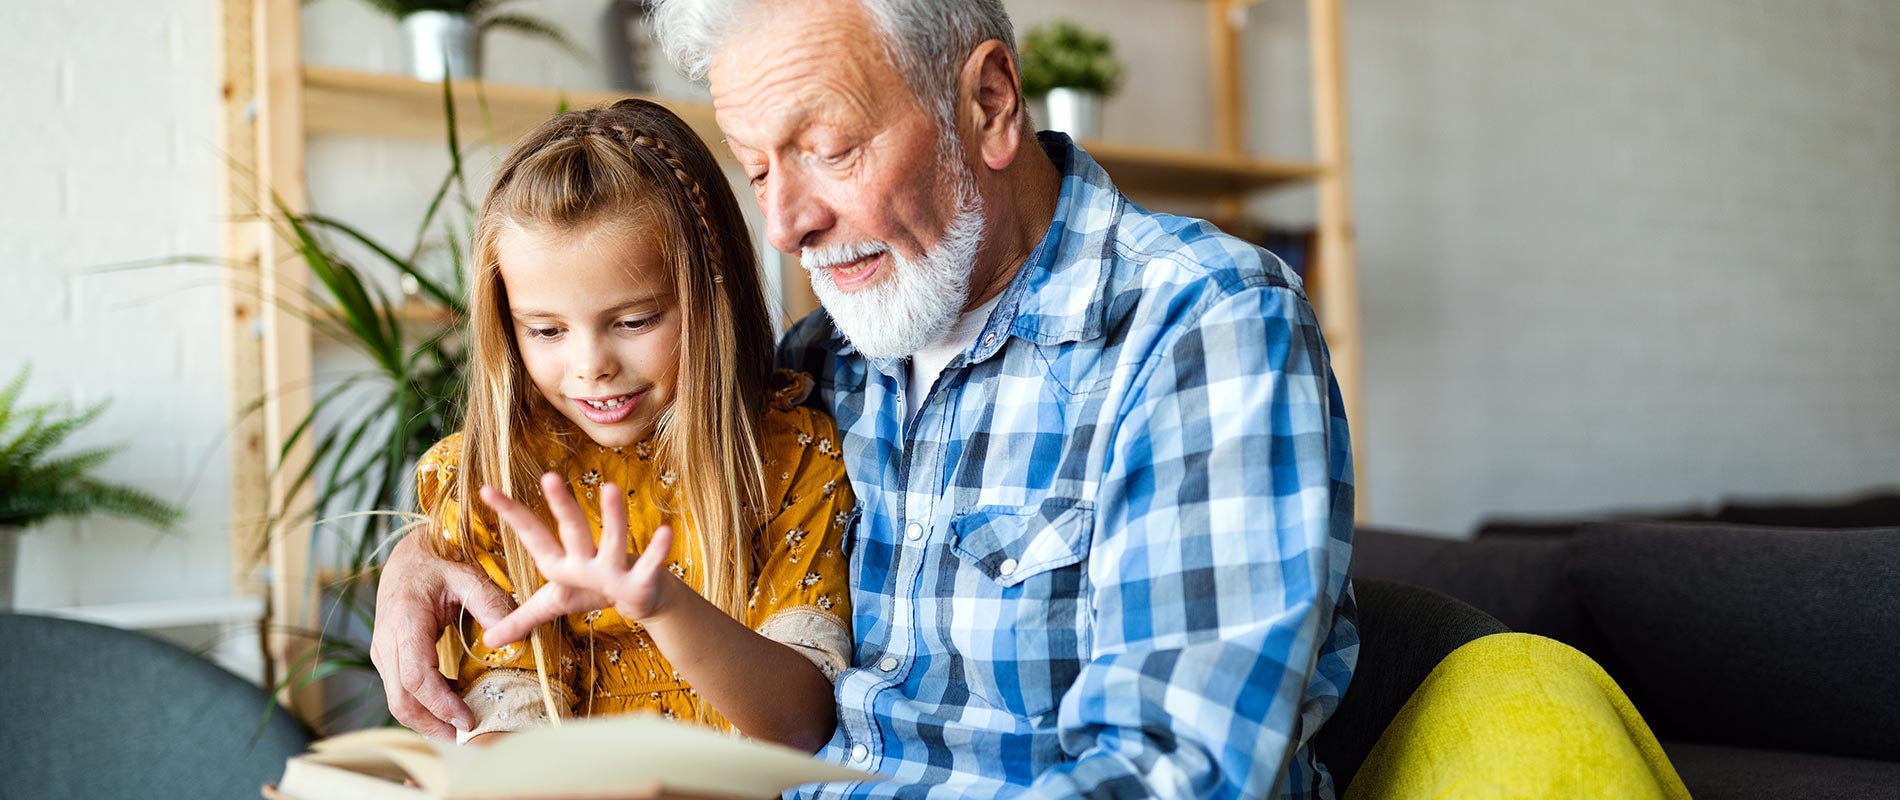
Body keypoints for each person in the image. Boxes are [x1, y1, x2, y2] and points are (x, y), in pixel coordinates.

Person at [374, 0, 1358, 797]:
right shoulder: (825, 361)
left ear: (988, 102)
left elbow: (1171, 773)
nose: (787, 225)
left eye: (829, 149)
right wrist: (424, 557)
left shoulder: (1198, 324)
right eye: (757, 167)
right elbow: (627, 456)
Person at [406, 97, 856, 752]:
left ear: (713, 297)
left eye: (635, 321)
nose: (590, 367)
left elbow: (800, 726)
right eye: (547, 330)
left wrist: (660, 604)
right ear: (506, 325)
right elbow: (503, 717)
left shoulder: (792, 457)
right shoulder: (499, 479)